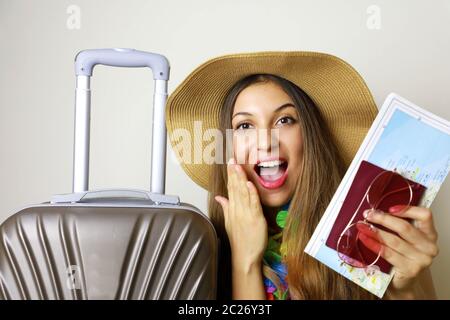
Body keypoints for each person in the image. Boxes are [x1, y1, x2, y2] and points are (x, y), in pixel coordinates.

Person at [165, 52, 439, 300]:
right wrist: (245, 262)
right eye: (245, 125)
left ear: (310, 139)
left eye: (285, 120)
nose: (265, 142)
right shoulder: (197, 248)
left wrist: (406, 289)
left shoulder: (380, 234)